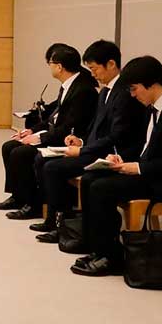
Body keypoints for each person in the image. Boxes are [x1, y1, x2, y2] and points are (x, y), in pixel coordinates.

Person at [72, 56, 162, 276]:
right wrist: (121, 159)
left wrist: (139, 168)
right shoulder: (152, 108)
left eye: (134, 89)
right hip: (151, 172)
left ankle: (111, 258)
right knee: (91, 179)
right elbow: (145, 147)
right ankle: (99, 248)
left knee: (102, 188)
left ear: (151, 84)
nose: (132, 95)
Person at [32, 40, 147, 243]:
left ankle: (65, 224)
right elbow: (95, 127)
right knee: (46, 161)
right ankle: (60, 222)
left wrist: (84, 151)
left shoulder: (124, 93)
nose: (92, 74)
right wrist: (80, 141)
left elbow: (117, 135)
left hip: (112, 153)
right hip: (96, 148)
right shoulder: (105, 91)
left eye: (94, 69)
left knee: (54, 168)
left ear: (111, 64)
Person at [0, 43, 98, 220]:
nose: (49, 67)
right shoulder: (69, 85)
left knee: (21, 153)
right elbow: (53, 118)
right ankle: (18, 196)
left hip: (68, 139)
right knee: (8, 146)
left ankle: (33, 203)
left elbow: (69, 127)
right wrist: (31, 130)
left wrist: (38, 138)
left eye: (51, 63)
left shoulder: (83, 90)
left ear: (59, 66)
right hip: (58, 133)